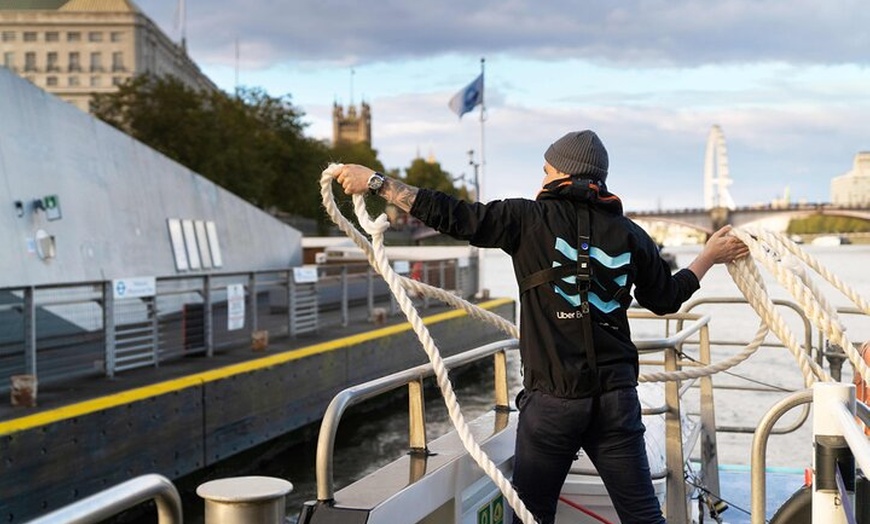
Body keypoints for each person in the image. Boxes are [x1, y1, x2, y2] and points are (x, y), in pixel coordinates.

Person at [331, 130, 749, 524]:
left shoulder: (525, 218)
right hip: (616, 402)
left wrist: (377, 183)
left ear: (563, 173)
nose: (542, 178)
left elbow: (453, 215)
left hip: (553, 403)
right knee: (643, 517)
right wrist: (708, 256)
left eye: (546, 170)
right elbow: (665, 299)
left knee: (533, 515)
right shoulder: (630, 234)